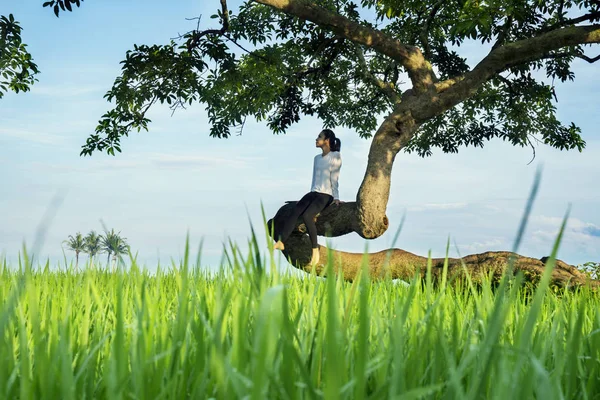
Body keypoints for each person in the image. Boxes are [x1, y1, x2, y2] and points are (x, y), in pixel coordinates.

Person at [273, 129, 344, 265]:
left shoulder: (335, 156)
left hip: (326, 195)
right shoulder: (316, 159)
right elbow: (314, 179)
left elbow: (334, 179)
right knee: (295, 211)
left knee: (307, 216)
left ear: (327, 140)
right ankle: (282, 242)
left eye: (319, 137)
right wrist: (306, 199)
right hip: (314, 193)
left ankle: (315, 250)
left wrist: (336, 197)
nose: (316, 139)